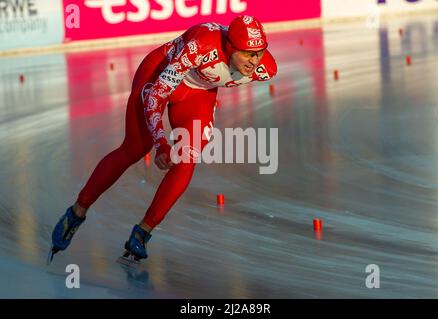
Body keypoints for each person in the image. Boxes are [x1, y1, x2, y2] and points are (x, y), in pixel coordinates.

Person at [49, 15, 277, 262]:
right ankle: (77, 212)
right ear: (231, 47)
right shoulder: (200, 46)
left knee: (187, 159)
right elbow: (156, 94)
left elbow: (225, 75)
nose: (254, 61)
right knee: (136, 147)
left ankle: (142, 232)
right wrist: (161, 143)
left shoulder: (266, 69)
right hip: (159, 73)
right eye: (247, 54)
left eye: (259, 53)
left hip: (198, 92)